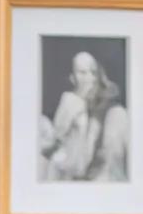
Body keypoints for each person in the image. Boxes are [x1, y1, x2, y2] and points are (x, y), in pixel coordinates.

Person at [38, 49, 129, 182]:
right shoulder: (69, 101)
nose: (89, 78)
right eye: (82, 73)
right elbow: (55, 140)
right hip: (66, 174)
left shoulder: (102, 108)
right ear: (72, 78)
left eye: (93, 73)